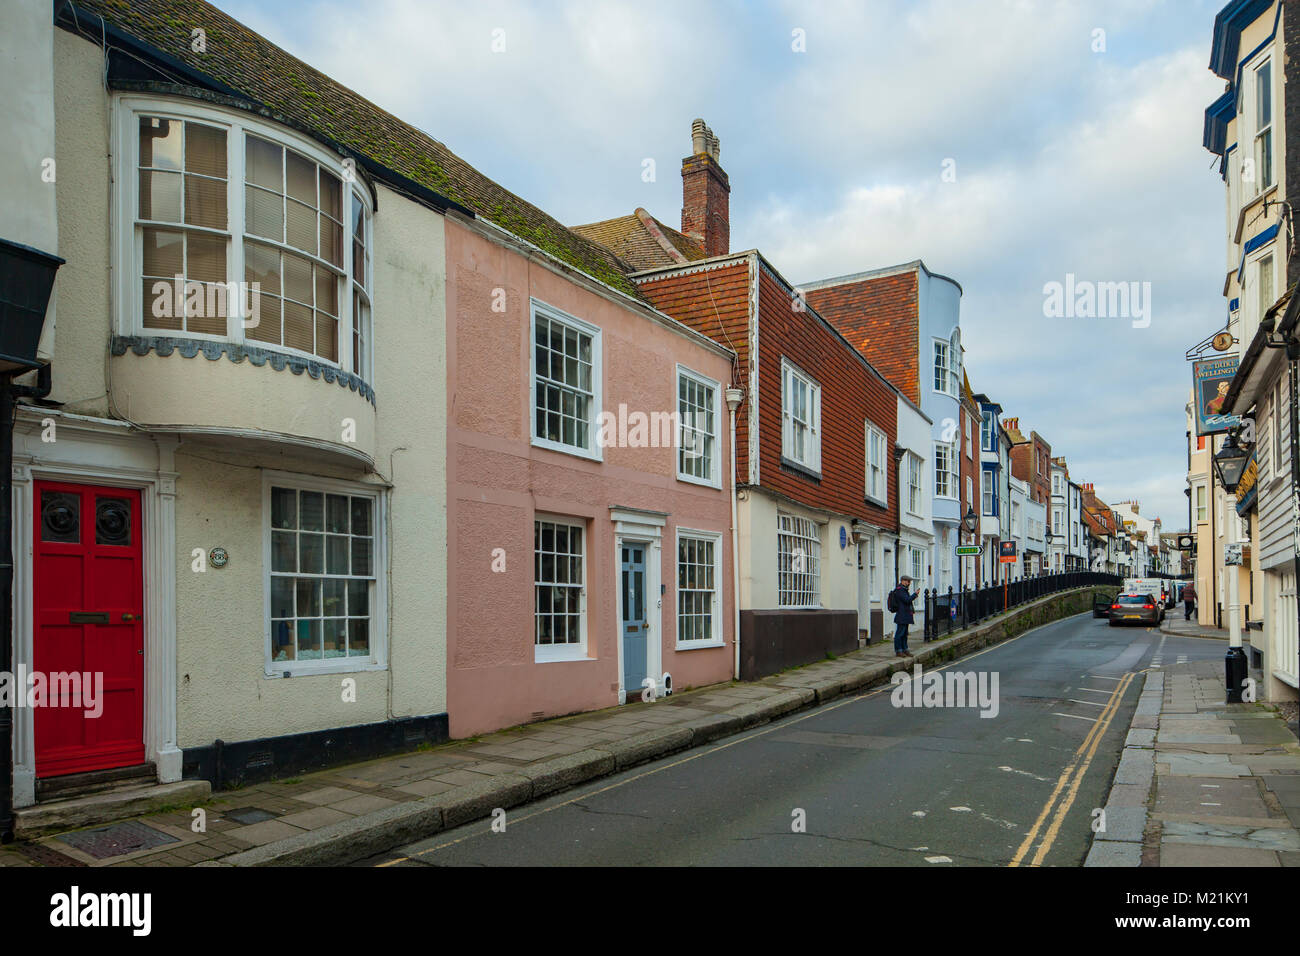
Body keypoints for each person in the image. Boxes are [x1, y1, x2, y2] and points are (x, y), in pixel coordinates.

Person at [890, 575, 918, 658]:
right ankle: (898, 650)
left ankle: (905, 649)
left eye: (909, 581)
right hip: (902, 615)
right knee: (900, 633)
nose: (909, 583)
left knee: (905, 634)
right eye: (907, 581)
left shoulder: (904, 590)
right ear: (902, 581)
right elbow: (907, 600)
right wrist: (915, 595)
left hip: (905, 614)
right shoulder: (900, 590)